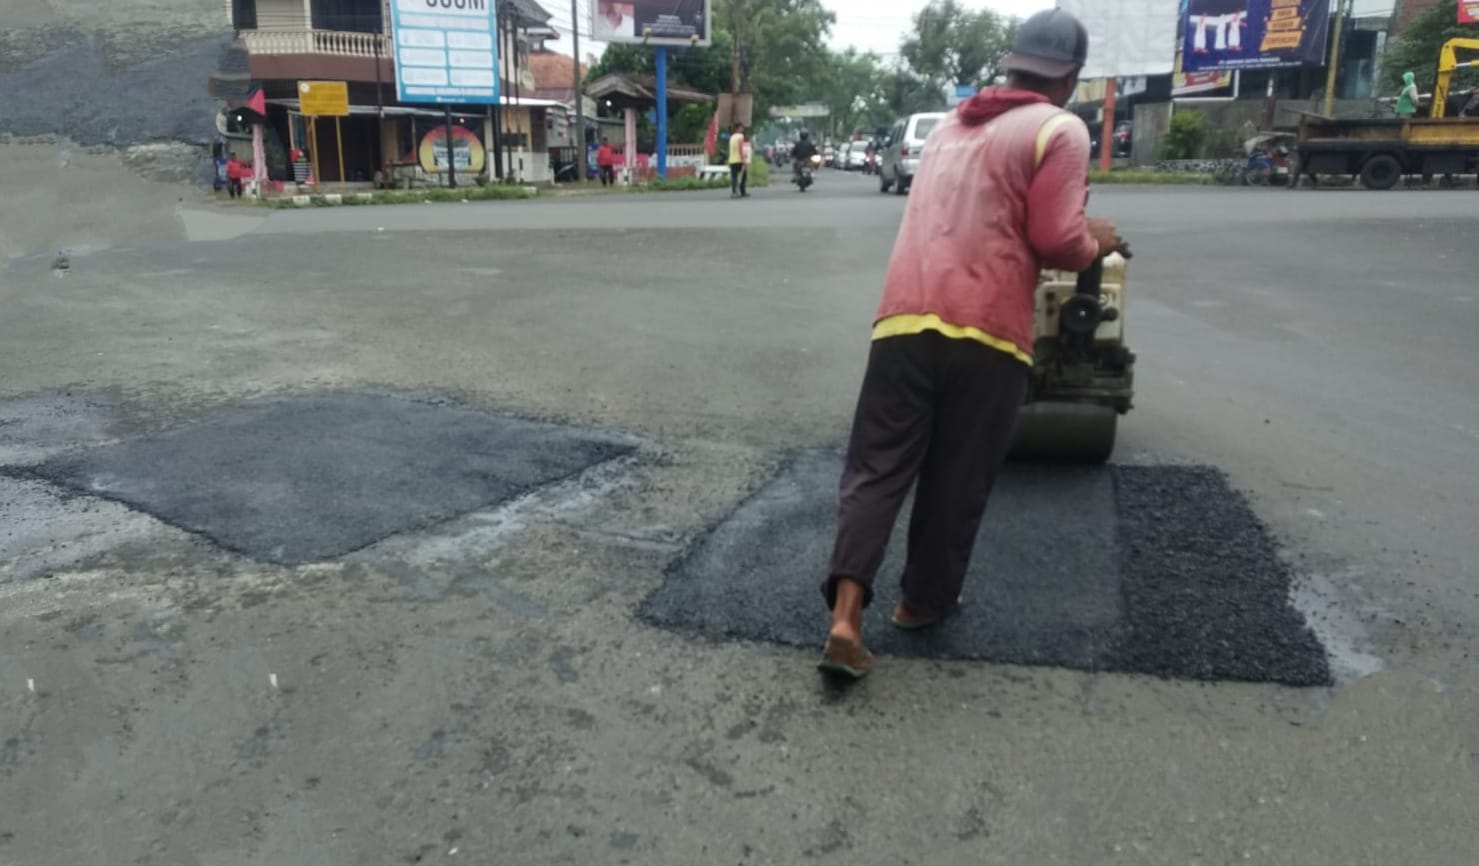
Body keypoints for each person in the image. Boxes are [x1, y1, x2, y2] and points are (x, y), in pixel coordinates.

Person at [816, 8, 1124, 679]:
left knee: (875, 468)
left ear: (1012, 64)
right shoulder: (1058, 128)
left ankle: (845, 617)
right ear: (1068, 77)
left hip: (900, 320)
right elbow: (1055, 241)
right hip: (985, 333)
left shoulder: (950, 129)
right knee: (956, 476)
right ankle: (919, 603)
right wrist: (1096, 238)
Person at [727, 123, 749, 198]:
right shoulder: (740, 136)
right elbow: (740, 148)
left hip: (732, 160)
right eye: (741, 128)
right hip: (738, 160)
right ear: (737, 129)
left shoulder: (732, 137)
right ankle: (742, 191)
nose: (742, 129)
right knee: (744, 175)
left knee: (734, 177)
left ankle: (734, 192)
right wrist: (743, 159)